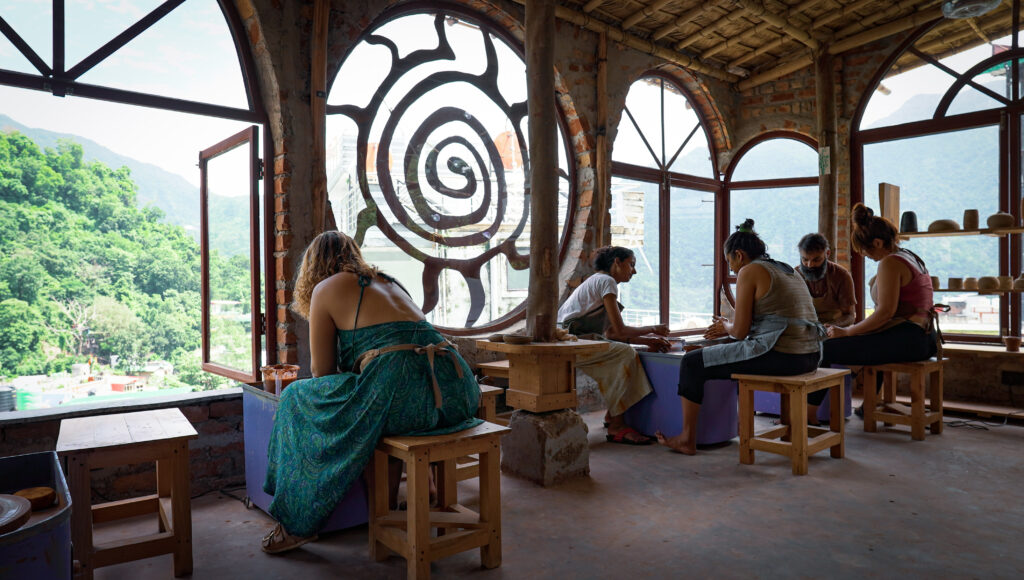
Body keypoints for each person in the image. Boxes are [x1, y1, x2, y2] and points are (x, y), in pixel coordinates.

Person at [261, 230, 482, 554]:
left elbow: (322, 371)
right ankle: (417, 492)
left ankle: (296, 523)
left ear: (314, 267)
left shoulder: (325, 288)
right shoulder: (389, 280)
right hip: (457, 390)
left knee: (296, 398)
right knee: (378, 398)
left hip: (404, 393)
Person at [657, 219, 823, 455]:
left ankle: (686, 438)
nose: (732, 269)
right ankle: (726, 425)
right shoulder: (785, 268)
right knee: (709, 357)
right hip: (812, 354)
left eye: (729, 262)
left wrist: (724, 325)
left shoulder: (750, 270)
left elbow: (740, 331)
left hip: (784, 357)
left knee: (692, 364)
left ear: (739, 254)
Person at [557, 246, 671, 445]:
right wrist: (653, 329)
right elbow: (620, 330)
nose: (633, 271)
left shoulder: (598, 281)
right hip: (570, 341)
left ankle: (612, 415)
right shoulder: (607, 281)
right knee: (625, 355)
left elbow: (611, 333)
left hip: (578, 339)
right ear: (617, 263)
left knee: (624, 352)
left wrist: (647, 342)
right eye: (631, 265)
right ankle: (618, 424)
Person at [820, 203, 937, 394]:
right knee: (870, 336)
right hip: (926, 338)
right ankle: (868, 407)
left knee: (827, 348)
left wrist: (848, 332)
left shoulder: (890, 262)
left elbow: (885, 313)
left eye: (864, 250)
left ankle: (812, 412)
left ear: (877, 243)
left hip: (910, 340)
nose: (865, 255)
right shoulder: (909, 256)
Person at [795, 233, 856, 327]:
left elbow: (849, 316)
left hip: (835, 328)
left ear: (827, 254)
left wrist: (831, 327)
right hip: (805, 328)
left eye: (816, 260)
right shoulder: (795, 276)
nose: (810, 265)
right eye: (805, 260)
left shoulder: (841, 276)